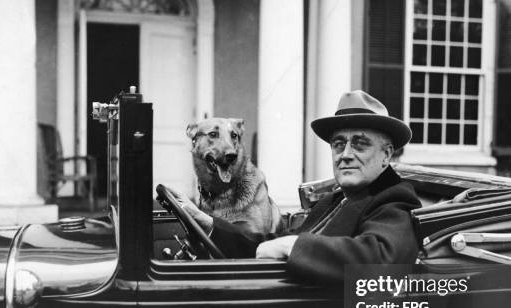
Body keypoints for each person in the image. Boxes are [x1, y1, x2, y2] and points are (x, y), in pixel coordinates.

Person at [178, 90, 422, 284]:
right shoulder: (332, 201)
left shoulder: (395, 199)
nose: (345, 155)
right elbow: (270, 243)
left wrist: (292, 247)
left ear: (386, 155)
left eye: (359, 144)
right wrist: (209, 225)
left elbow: (382, 260)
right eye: (338, 144)